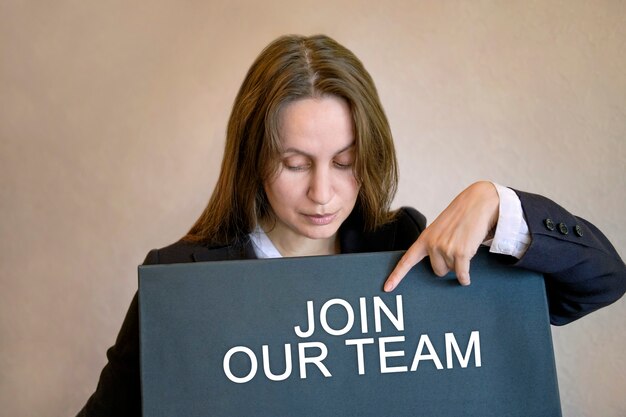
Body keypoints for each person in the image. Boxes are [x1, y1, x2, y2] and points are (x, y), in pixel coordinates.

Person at [77, 34, 625, 417]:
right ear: (252, 157)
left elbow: (602, 281)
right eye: (294, 164)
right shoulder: (179, 282)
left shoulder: (405, 247)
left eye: (345, 162)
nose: (323, 192)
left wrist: (498, 204)